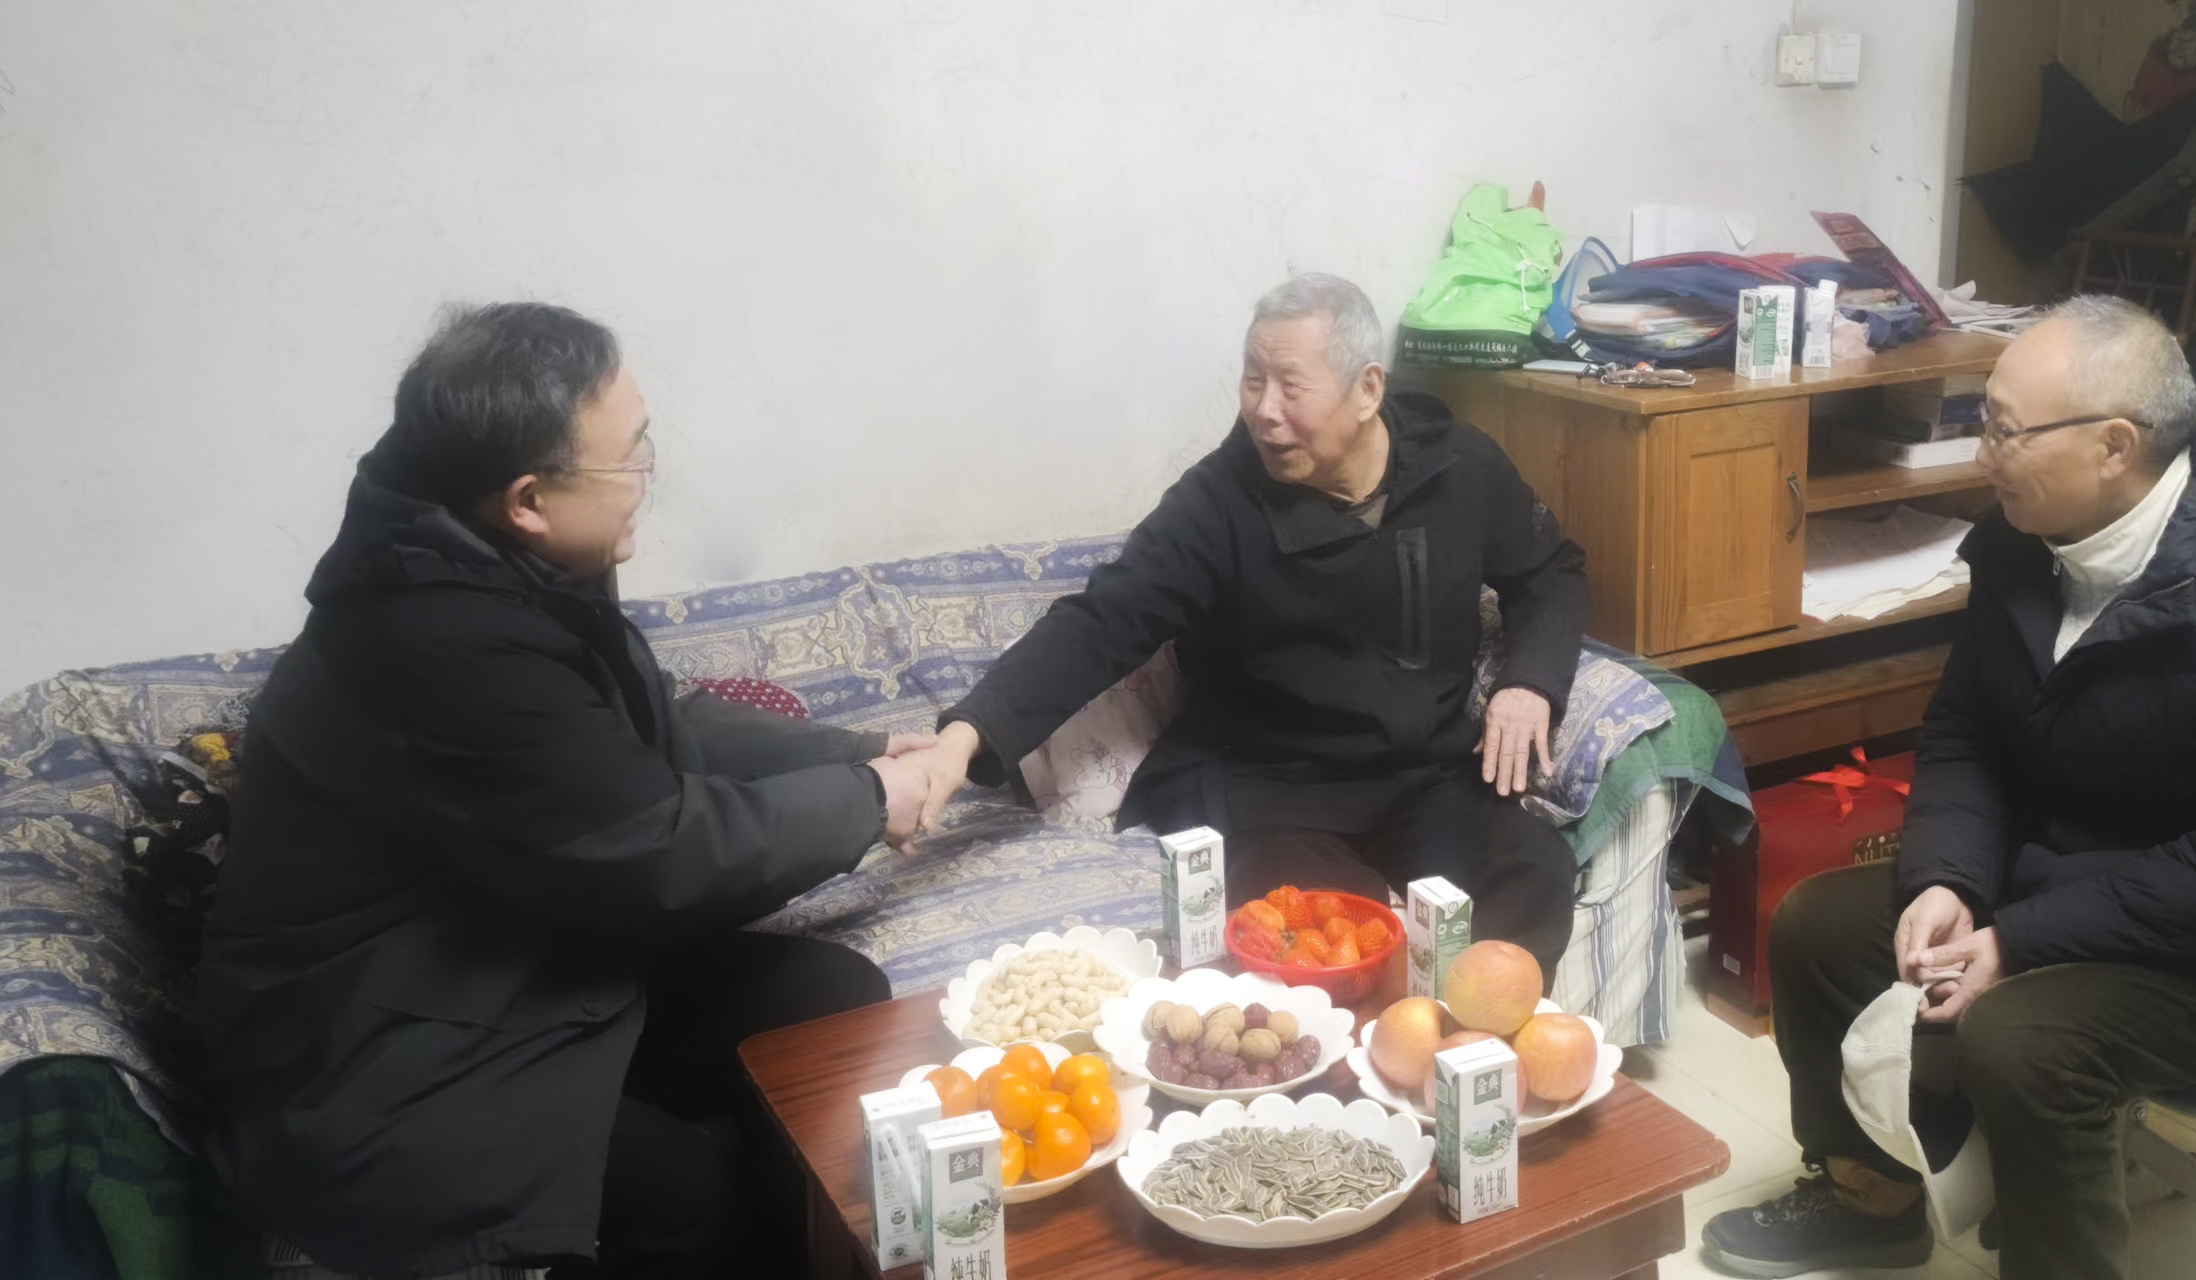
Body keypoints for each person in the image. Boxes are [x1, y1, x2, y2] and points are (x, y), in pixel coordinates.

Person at [198, 303, 934, 1279]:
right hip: (382, 1050)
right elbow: (655, 850)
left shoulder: (493, 557)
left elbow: (650, 729)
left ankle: (805, 1243)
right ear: (530, 498)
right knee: (695, 1210)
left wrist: (862, 751)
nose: (646, 482)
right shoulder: (438, 638)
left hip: (515, 959)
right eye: (630, 460)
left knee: (831, 1009)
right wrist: (869, 801)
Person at [1701, 295, 2196, 1280]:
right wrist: (1947, 879)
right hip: (2049, 880)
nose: (1982, 454)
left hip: (2174, 938)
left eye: (2005, 431)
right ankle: (1871, 1201)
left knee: (2022, 1039)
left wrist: (2019, 940)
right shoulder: (2020, 539)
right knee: (1820, 927)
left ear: (2114, 445)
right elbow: (1966, 731)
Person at [903, 274, 1589, 977]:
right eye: (1252, 380)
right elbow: (1101, 621)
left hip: (1423, 779)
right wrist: (964, 737)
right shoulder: (1216, 501)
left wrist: (1529, 682)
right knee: (1324, 937)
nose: (1264, 410)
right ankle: (1378, 1040)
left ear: (1367, 390)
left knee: (1532, 870)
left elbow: (1550, 570)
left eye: (1291, 386)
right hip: (1273, 790)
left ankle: (1473, 1037)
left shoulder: (1461, 467)